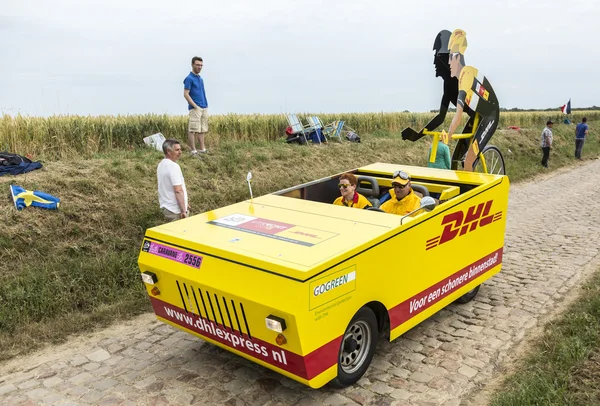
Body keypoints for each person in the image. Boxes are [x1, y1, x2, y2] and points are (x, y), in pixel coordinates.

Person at [446, 29, 500, 171]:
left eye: (450, 57)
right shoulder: (461, 79)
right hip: (478, 115)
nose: (448, 62)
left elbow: (458, 115)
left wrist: (449, 134)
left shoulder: (466, 75)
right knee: (456, 159)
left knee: (469, 160)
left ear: (457, 58)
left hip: (490, 115)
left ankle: (470, 191)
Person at [157, 139, 189, 221]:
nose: (180, 152)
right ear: (168, 151)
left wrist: (185, 203)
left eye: (180, 149)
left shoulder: (161, 165)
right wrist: (183, 210)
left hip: (167, 208)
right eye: (177, 150)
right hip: (176, 211)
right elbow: (178, 190)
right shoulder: (173, 166)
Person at [184, 56, 209, 156]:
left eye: (201, 65)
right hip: (196, 107)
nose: (200, 67)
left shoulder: (200, 79)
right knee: (193, 129)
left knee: (202, 129)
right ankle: (193, 151)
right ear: (192, 65)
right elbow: (186, 94)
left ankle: (202, 149)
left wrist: (205, 105)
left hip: (204, 106)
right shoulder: (189, 78)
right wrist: (194, 106)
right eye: (197, 65)